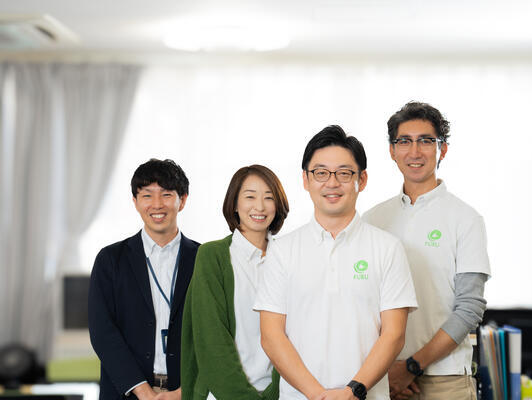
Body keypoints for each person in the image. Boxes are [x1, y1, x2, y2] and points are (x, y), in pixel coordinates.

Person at [255, 125, 418, 400]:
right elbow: (271, 337)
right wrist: (318, 395)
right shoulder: (281, 251)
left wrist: (353, 391)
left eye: (344, 173)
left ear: (362, 180)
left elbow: (394, 335)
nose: (332, 183)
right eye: (320, 173)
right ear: (306, 180)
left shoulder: (387, 248)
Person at [363, 102, 491, 400]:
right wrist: (386, 371)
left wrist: (412, 366)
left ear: (442, 149)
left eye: (425, 140)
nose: (415, 151)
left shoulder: (466, 219)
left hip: (446, 379)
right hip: (385, 378)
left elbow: (469, 308)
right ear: (392, 150)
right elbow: (363, 302)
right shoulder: (372, 219)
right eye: (404, 141)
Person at [89, 158, 199, 400]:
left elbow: (215, 334)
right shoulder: (111, 260)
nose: (157, 204)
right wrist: (143, 391)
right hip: (127, 393)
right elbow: (102, 332)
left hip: (188, 392)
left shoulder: (204, 259)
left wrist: (185, 392)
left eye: (167, 194)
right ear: (135, 202)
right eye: (147, 195)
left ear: (183, 200)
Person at [181, 164, 289, 400]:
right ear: (234, 204)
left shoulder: (291, 257)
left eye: (269, 197)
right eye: (250, 196)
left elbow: (297, 335)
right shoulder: (212, 256)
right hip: (222, 394)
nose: (259, 206)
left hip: (281, 395)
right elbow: (211, 341)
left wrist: (274, 394)